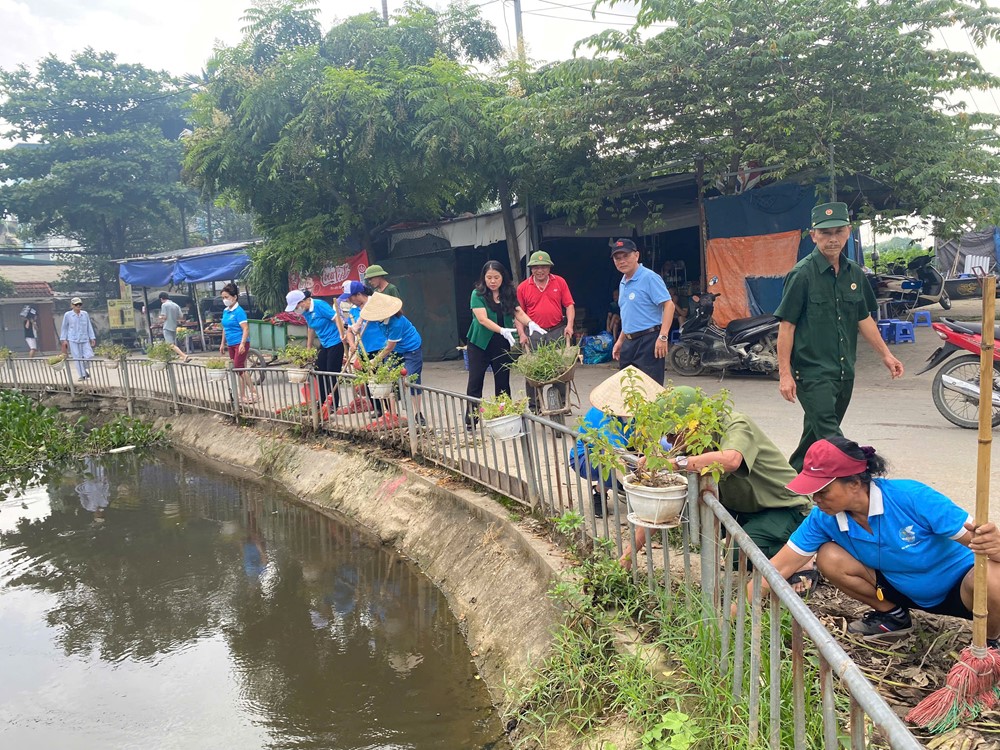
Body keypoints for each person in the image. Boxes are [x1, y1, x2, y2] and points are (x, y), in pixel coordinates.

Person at [760, 437, 1000, 644]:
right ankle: (893, 616)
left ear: (855, 483)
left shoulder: (912, 497)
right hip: (898, 588)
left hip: (963, 591)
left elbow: (986, 547)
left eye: (823, 491)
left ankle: (988, 642)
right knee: (828, 557)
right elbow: (779, 567)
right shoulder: (823, 517)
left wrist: (996, 546)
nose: (816, 499)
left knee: (992, 575)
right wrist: (739, 612)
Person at [611, 383, 817, 590]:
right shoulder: (690, 445)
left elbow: (731, 460)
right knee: (722, 544)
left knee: (739, 553)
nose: (670, 441)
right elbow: (661, 506)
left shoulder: (735, 424)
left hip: (784, 506)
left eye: (673, 433)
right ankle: (774, 548)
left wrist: (673, 463)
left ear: (694, 423)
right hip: (745, 508)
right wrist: (628, 556)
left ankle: (803, 560)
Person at [775, 202, 904, 471]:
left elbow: (863, 318)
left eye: (838, 232)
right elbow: (787, 327)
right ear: (814, 235)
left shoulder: (854, 273)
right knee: (832, 438)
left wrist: (886, 355)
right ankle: (860, 478)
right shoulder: (801, 275)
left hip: (844, 371)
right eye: (825, 233)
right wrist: (785, 374)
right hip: (812, 372)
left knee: (815, 437)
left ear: (848, 231)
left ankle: (791, 481)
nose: (832, 239)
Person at [464, 260, 537, 429]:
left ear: (503, 277)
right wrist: (501, 330)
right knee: (475, 381)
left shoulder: (508, 292)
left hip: (502, 343)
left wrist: (530, 323)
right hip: (479, 344)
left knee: (503, 382)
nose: (492, 281)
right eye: (489, 277)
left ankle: (506, 418)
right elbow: (482, 319)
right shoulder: (477, 294)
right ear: (484, 278)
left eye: (496, 277)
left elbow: (518, 311)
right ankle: (471, 420)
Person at [515, 250, 576, 413]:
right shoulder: (523, 287)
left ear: (549, 268)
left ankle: (563, 402)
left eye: (543, 267)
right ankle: (535, 406)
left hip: (557, 329)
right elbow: (518, 313)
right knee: (533, 370)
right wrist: (522, 334)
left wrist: (569, 325)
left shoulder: (559, 282)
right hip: (534, 333)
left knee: (561, 368)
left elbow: (569, 305)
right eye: (536, 267)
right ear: (531, 269)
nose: (540, 270)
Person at [610, 238, 675, 385]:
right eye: (617, 258)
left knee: (650, 388)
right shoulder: (623, 282)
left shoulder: (649, 277)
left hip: (649, 340)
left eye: (626, 256)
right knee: (629, 389)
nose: (622, 261)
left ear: (636, 255)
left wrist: (663, 337)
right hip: (629, 343)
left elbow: (669, 305)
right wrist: (620, 341)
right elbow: (629, 315)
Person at [358, 292, 425, 428]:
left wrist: (375, 360)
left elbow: (389, 347)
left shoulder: (396, 323)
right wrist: (356, 326)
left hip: (411, 348)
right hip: (395, 349)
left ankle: (418, 413)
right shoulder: (378, 320)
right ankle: (392, 414)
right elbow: (363, 320)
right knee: (387, 378)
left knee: (412, 379)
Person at [285, 288, 346, 410]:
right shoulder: (306, 312)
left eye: (296, 306)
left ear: (302, 301)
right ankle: (322, 400)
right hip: (325, 343)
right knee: (319, 369)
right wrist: (309, 346)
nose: (296, 310)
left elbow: (336, 318)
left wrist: (342, 335)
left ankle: (333, 403)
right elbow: (311, 328)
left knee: (331, 372)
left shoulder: (319, 305)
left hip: (336, 341)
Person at [218, 282, 257, 405]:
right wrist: (222, 343)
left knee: (238, 367)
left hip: (240, 343)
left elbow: (245, 328)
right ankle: (242, 395)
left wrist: (242, 344)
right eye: (223, 298)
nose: (225, 300)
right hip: (231, 344)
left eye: (227, 297)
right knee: (240, 370)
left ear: (234, 297)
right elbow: (225, 328)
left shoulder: (239, 311)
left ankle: (254, 392)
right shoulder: (226, 311)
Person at [60, 297, 96, 381]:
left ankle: (84, 370)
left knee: (89, 355)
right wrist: (64, 339)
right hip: (73, 339)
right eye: (76, 304)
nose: (78, 306)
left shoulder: (85, 314)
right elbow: (64, 327)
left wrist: (92, 337)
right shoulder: (68, 315)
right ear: (72, 305)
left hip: (84, 338)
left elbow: (89, 326)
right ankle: (82, 375)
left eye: (80, 304)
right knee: (77, 357)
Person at [158, 292, 191, 362]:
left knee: (170, 344)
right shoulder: (176, 305)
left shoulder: (164, 305)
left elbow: (164, 317)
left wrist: (160, 317)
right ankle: (168, 357)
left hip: (167, 327)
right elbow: (181, 316)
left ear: (161, 299)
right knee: (170, 344)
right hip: (174, 326)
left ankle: (184, 356)